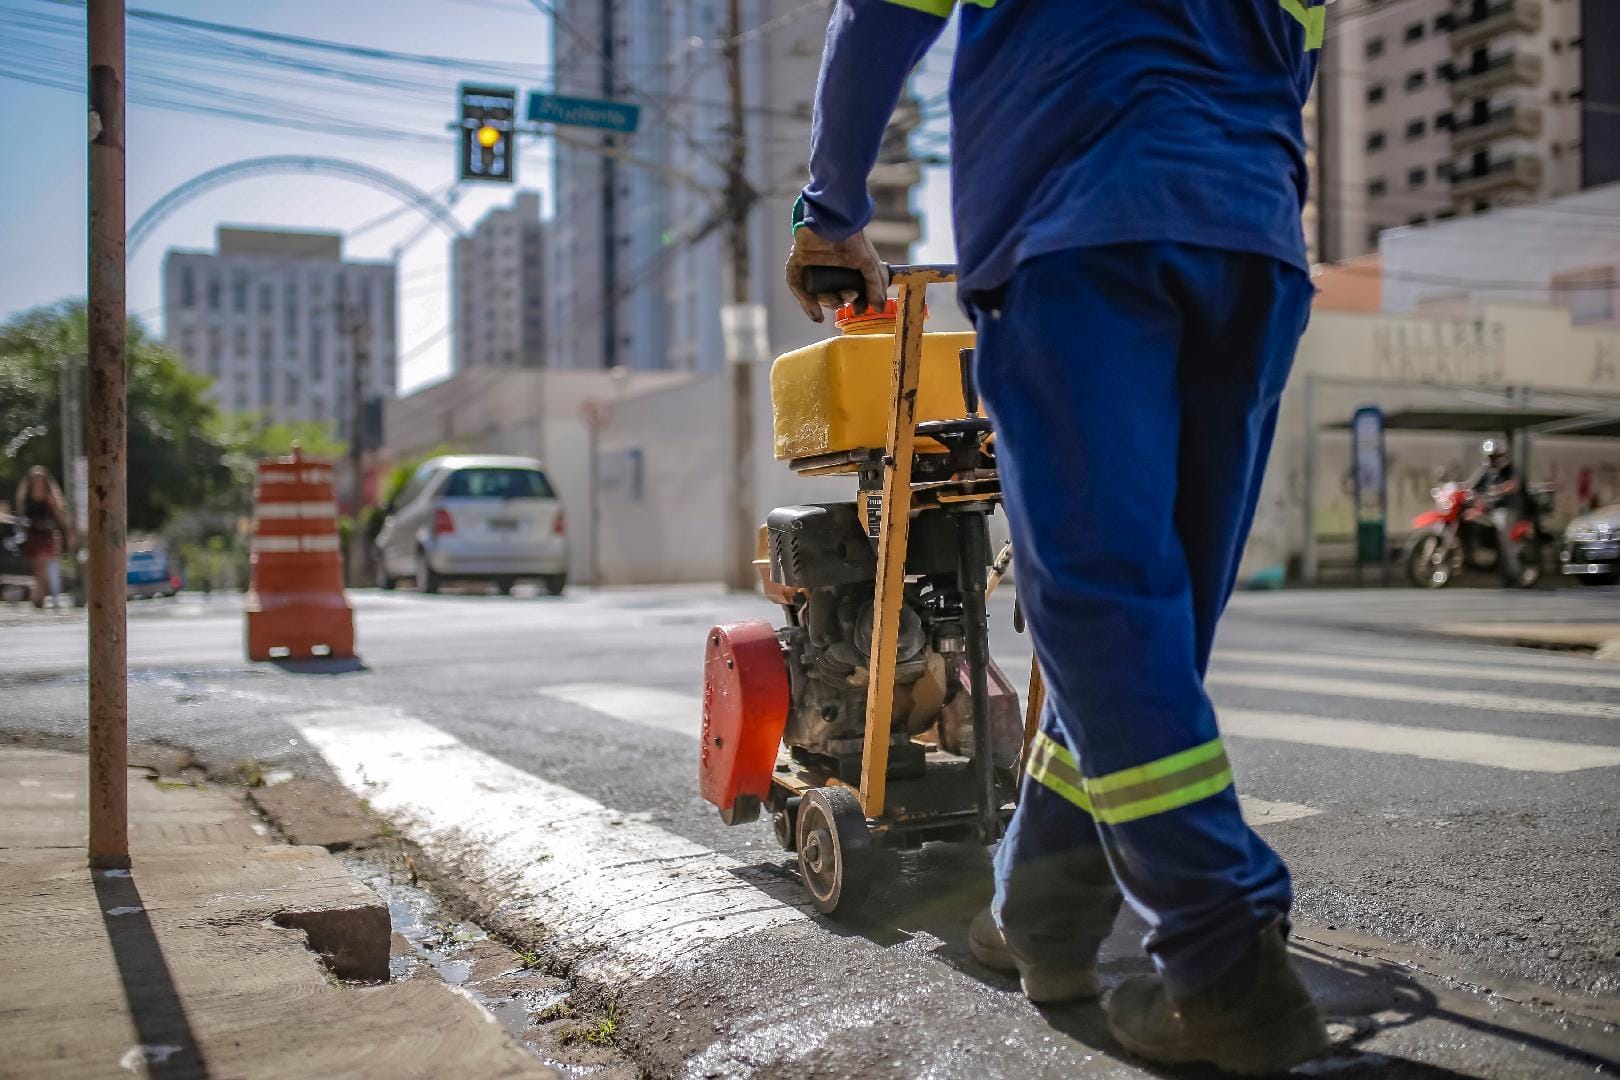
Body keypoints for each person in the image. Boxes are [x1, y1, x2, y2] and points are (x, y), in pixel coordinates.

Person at [785, 0, 1329, 1072]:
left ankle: (1223, 953)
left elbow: (882, 13)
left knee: (1101, 616)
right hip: (1250, 235)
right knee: (1143, 633)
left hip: (1076, 230)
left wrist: (832, 205)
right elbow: (1297, 56)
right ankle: (1041, 912)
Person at [1471, 439, 1528, 588]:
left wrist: (1498, 489)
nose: (1491, 460)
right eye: (1489, 457)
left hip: (1505, 510)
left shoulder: (1508, 469)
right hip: (1488, 510)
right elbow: (1471, 486)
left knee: (1504, 540)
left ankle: (1516, 576)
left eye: (1494, 456)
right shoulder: (1486, 471)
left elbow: (1513, 486)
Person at [16, 466, 73, 610]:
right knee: (38, 568)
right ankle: (40, 597)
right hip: (33, 534)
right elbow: (20, 511)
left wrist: (68, 531)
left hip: (47, 534)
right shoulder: (27, 497)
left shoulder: (50, 497)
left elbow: (60, 515)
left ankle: (44, 596)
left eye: (40, 479)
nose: (38, 482)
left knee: (44, 565)